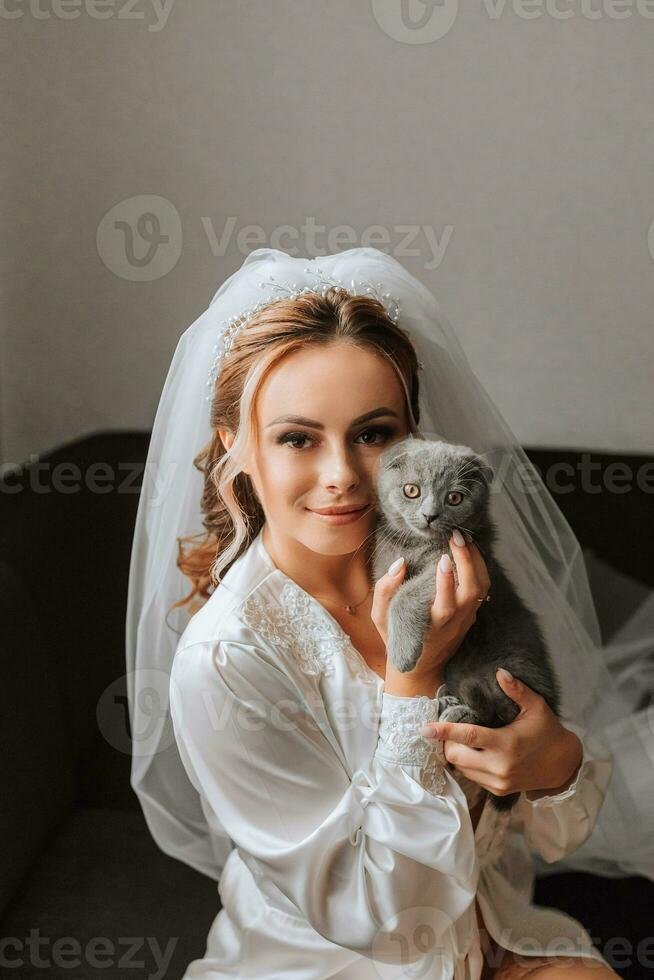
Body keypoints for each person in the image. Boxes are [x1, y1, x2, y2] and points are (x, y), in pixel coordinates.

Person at [126, 248, 647, 979]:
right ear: (236, 448)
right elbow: (389, 925)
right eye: (297, 438)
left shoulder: (457, 571)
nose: (341, 475)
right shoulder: (226, 659)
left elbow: (547, 828)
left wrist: (555, 762)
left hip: (491, 932)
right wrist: (417, 675)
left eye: (373, 434)